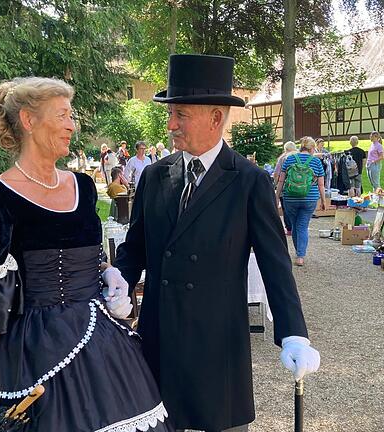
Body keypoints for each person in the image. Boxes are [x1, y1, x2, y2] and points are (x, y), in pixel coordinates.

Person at [114, 54, 320, 432]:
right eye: (170, 113)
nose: (171, 124)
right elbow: (136, 246)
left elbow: (275, 263)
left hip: (216, 344)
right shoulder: (155, 176)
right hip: (159, 339)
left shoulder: (247, 180)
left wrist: (293, 333)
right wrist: (120, 278)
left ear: (215, 118)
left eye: (181, 115)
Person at [0, 77, 171, 432]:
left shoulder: (83, 186)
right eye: (62, 115)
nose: (72, 125)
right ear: (28, 121)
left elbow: (88, 255)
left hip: (100, 337)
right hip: (34, 347)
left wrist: (107, 273)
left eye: (71, 115)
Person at [276, 137, 327, 266]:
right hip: (309, 199)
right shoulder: (316, 161)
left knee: (294, 225)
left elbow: (281, 180)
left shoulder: (290, 159)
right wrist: (323, 200)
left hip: (290, 198)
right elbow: (321, 184)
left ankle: (298, 253)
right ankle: (300, 256)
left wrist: (276, 197)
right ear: (311, 148)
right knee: (302, 226)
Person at [273, 141, 298, 235]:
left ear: (286, 149)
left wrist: (276, 185)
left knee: (286, 209)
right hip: (301, 188)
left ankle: (289, 229)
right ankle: (298, 227)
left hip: (286, 188)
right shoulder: (300, 157)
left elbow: (276, 173)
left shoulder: (283, 158)